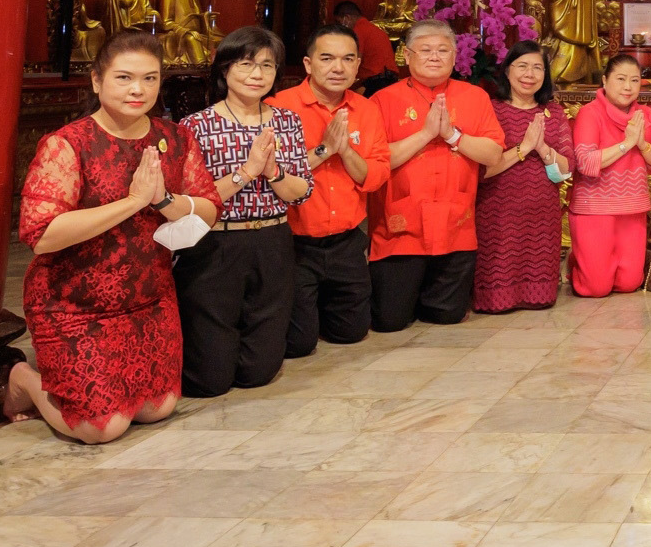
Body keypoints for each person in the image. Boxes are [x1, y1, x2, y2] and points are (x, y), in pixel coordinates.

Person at [6, 33, 219, 442]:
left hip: (148, 298)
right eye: (124, 78)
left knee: (157, 409)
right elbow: (42, 234)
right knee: (98, 430)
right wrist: (135, 201)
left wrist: (165, 199)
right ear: (96, 81)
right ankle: (24, 380)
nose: (138, 89)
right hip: (73, 302)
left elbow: (208, 208)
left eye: (150, 78)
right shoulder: (67, 145)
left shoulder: (174, 139)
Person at [176, 26, 314, 397]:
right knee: (210, 380)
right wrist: (247, 171)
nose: (258, 75)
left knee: (259, 371)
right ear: (224, 71)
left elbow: (301, 191)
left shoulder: (287, 121)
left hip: (273, 237)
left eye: (267, 66)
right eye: (247, 65)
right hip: (216, 243)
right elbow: (192, 200)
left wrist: (273, 172)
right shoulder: (196, 126)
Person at [369, 20, 506, 330]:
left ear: (455, 57)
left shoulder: (475, 97)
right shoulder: (382, 100)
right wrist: (427, 134)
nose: (434, 57)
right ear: (406, 55)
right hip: (400, 227)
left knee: (447, 317)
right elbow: (373, 162)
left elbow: (493, 153)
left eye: (443, 50)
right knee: (390, 321)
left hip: (454, 224)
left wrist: (452, 135)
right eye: (426, 50)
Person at [272, 22, 390, 358]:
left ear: (357, 65)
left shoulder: (366, 110)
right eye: (327, 58)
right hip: (295, 242)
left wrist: (346, 151)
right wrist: (325, 150)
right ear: (308, 64)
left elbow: (378, 174)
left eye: (347, 59)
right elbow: (273, 175)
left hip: (347, 241)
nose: (337, 68)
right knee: (298, 344)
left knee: (351, 334)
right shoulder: (279, 107)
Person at [475, 41, 573, 313]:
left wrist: (542, 148)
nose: (529, 74)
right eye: (522, 66)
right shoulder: (491, 110)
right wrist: (524, 148)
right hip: (497, 211)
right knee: (496, 291)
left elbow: (566, 168)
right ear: (507, 71)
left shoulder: (554, 114)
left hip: (542, 214)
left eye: (537, 68)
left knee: (539, 300)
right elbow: (482, 170)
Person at [567, 54, 651, 297]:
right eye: (620, 79)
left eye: (634, 80)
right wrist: (627, 144)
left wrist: (641, 144)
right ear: (605, 80)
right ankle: (578, 263)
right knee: (595, 289)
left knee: (629, 284)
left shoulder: (645, 115)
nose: (628, 87)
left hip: (632, 208)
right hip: (594, 208)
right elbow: (587, 163)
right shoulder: (590, 113)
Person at [335, 0, 398, 93]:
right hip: (389, 78)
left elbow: (354, 61)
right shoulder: (373, 28)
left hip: (378, 81)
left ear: (346, 18)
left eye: (339, 22)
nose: (340, 27)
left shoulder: (358, 30)